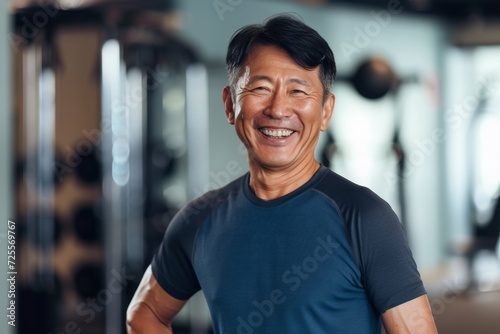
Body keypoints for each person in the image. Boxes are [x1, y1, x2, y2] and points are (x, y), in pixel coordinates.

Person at [126, 14, 438, 333]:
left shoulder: (364, 217)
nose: (277, 109)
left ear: (325, 111)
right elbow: (144, 312)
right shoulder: (199, 220)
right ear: (230, 105)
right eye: (260, 88)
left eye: (298, 92)